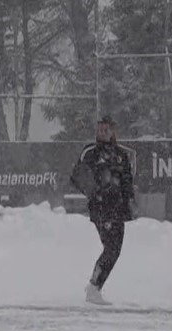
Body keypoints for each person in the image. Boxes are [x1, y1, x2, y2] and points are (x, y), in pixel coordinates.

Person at [69, 115, 135, 305]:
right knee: (111, 247)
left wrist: (129, 200)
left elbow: (127, 180)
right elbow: (77, 176)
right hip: (101, 208)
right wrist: (95, 192)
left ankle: (95, 285)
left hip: (118, 209)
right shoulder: (90, 152)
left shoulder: (121, 155)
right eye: (100, 129)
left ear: (114, 131)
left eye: (106, 129)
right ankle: (94, 286)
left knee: (115, 250)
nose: (102, 133)